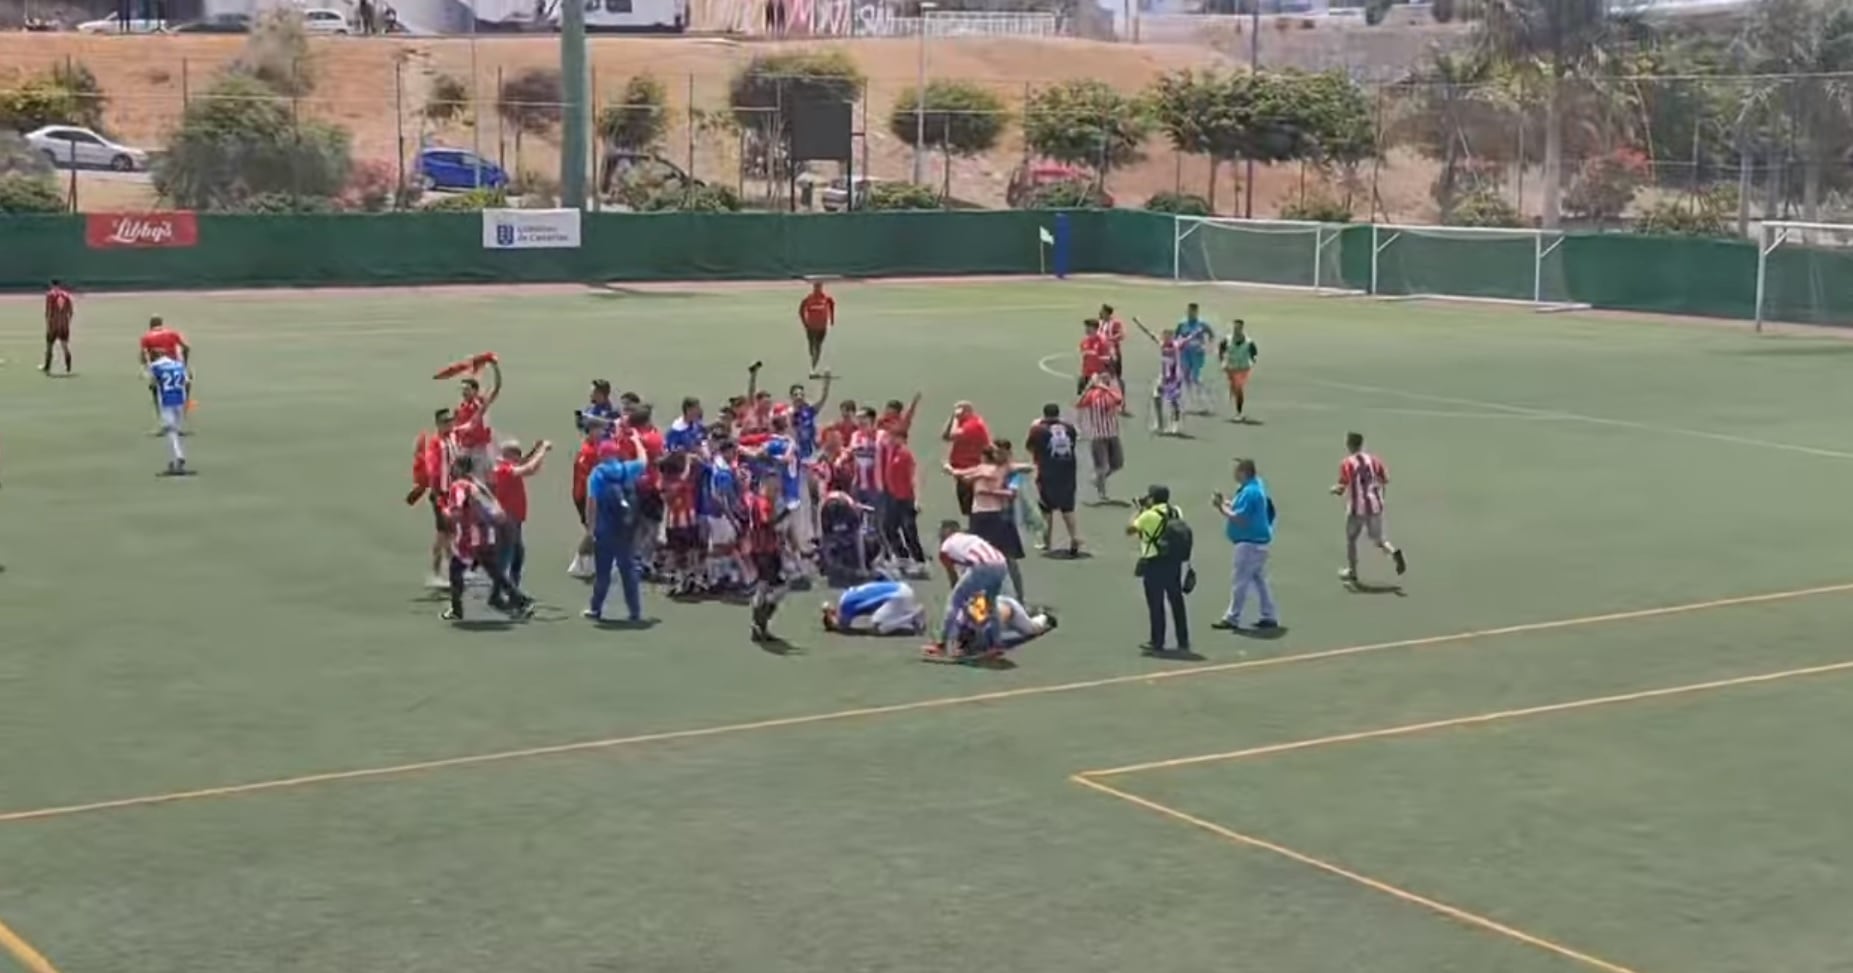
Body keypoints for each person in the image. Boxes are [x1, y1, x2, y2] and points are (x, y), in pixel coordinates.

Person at [440, 456, 533, 621]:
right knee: (495, 572)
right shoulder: (478, 484)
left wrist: (444, 510)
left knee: (456, 570)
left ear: (460, 468)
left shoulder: (459, 486)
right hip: (487, 535)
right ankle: (521, 601)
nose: (452, 470)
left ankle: (456, 610)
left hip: (470, 539)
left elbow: (458, 512)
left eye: (454, 466)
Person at [925, 521, 1008, 662]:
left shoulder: (945, 548)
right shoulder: (969, 538)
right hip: (1001, 563)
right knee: (990, 604)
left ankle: (941, 644)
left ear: (945, 533)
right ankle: (996, 644)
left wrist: (959, 595)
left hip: (982, 565)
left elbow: (953, 577)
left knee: (954, 601)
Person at [1212, 458, 1279, 631]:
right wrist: (1226, 502)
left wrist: (1221, 508)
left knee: (1240, 581)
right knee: (1259, 581)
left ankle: (1232, 617)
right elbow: (1238, 508)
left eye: (1236, 470)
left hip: (1249, 544)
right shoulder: (1254, 487)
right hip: (1259, 543)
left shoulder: (1250, 492)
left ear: (1243, 472)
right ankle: (1269, 615)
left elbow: (1240, 518)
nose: (1233, 473)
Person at [1332, 431, 1407, 584]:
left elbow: (1341, 487)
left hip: (1356, 509)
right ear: (1362, 444)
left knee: (1351, 539)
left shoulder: (1347, 463)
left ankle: (1352, 571)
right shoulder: (1374, 460)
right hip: (1374, 506)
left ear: (1349, 444)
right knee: (1379, 540)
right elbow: (1385, 479)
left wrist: (1334, 489)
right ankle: (1393, 553)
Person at [585, 450, 648, 622]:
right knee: (628, 570)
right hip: (626, 529)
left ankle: (595, 608)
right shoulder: (628, 468)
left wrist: (590, 530)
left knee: (603, 572)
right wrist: (636, 441)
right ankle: (635, 611)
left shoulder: (597, 474)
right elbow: (644, 460)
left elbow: (592, 502)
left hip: (604, 529)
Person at [1129, 485, 1190, 654]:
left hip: (1154, 563)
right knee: (1176, 601)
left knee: (1156, 604)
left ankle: (1158, 641)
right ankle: (1183, 639)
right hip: (1173, 562)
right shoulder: (1175, 511)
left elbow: (1130, 529)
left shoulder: (1148, 515)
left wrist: (1138, 511)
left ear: (1152, 498)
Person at [491, 437, 551, 589]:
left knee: (516, 555)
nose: (520, 456)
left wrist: (535, 450)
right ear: (510, 454)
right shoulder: (503, 470)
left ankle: (510, 589)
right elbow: (529, 469)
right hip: (507, 519)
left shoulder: (505, 466)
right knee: (507, 556)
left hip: (513, 518)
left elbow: (525, 464)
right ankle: (501, 592)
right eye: (517, 453)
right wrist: (543, 450)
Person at [1025, 403, 1082, 556]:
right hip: (1068, 470)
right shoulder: (1069, 427)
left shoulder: (1038, 429)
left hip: (1048, 470)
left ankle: (1046, 541)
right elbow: (1073, 443)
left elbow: (1030, 447)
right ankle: (1074, 536)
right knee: (1067, 507)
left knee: (1046, 507)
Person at [743, 474, 791, 641]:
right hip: (765, 550)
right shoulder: (764, 502)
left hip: (758, 549)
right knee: (780, 588)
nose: (778, 491)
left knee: (763, 586)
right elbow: (766, 523)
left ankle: (758, 627)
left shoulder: (757, 500)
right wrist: (785, 513)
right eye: (775, 487)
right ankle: (760, 618)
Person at [880, 425, 927, 573]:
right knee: (889, 527)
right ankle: (902, 557)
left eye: (892, 437)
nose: (889, 440)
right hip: (893, 498)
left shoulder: (905, 455)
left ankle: (920, 562)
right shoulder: (891, 453)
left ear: (901, 438)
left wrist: (917, 500)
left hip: (906, 499)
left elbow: (913, 477)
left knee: (909, 531)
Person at [1075, 372, 1124, 504]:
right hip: (1098, 435)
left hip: (1112, 434)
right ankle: (1102, 493)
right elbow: (1079, 403)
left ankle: (1097, 480)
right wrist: (1089, 387)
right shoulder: (1092, 395)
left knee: (1118, 463)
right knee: (1101, 467)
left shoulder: (1111, 393)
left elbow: (1119, 400)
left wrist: (1105, 388)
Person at [139, 316, 190, 433]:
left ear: (151, 325)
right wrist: (184, 364)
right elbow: (186, 347)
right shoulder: (173, 333)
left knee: (158, 394)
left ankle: (163, 422)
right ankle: (179, 423)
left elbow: (144, 354)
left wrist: (145, 368)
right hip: (175, 367)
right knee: (180, 392)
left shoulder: (146, 337)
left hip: (158, 368)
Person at [452, 358, 503, 475]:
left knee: (481, 478)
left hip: (480, 448)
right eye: (462, 390)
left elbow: (497, 387)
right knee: (459, 476)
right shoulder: (459, 408)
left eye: (467, 389)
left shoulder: (481, 403)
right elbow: (456, 427)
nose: (464, 392)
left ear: (475, 391)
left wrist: (495, 367)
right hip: (464, 448)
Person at [822, 579, 927, 635]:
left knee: (877, 626)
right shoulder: (847, 596)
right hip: (901, 590)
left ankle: (913, 617)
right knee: (880, 614)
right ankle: (908, 614)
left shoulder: (845, 605)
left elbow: (844, 625)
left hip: (898, 596)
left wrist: (834, 625)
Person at [941, 400, 991, 515]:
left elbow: (953, 435)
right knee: (967, 506)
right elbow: (945, 436)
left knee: (972, 506)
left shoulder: (974, 424)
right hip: (962, 470)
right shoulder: (962, 423)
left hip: (971, 470)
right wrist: (953, 418)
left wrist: (956, 419)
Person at [147, 348, 191, 476]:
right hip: (180, 399)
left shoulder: (155, 366)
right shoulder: (178, 364)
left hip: (167, 401)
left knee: (170, 431)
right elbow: (187, 382)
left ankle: (178, 458)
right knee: (175, 430)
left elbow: (153, 384)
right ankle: (176, 459)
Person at [567, 424, 602, 579]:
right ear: (591, 432)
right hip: (586, 496)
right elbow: (586, 478)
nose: (602, 432)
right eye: (598, 430)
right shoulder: (588, 452)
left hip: (589, 495)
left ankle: (589, 564)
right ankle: (578, 565)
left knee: (597, 531)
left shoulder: (593, 447)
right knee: (592, 531)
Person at [1175, 302, 1216, 413]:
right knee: (1185, 377)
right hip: (1185, 353)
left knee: (1195, 377)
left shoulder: (1202, 324)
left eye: (1192, 312)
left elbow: (1211, 334)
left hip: (1197, 354)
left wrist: (1207, 346)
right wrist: (1177, 346)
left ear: (1196, 312)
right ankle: (1189, 402)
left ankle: (1203, 401)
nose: (1190, 314)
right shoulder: (1182, 323)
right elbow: (1176, 336)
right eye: (1189, 311)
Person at [1218, 319, 1258, 423]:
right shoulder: (1227, 339)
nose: (1236, 329)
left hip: (1243, 368)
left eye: (1238, 328)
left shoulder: (1248, 342)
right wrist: (1222, 361)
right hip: (1231, 367)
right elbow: (1221, 349)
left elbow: (1254, 353)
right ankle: (1232, 392)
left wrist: (1253, 361)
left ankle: (1239, 413)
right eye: (1235, 327)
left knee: (1239, 387)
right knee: (1234, 386)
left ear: (1242, 328)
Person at [799, 279, 836, 374]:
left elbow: (832, 306)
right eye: (816, 287)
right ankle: (813, 362)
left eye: (819, 287)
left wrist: (832, 319)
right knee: (812, 347)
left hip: (821, 327)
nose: (817, 289)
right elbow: (801, 311)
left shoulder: (826, 298)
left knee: (818, 347)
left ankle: (813, 368)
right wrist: (804, 322)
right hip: (810, 327)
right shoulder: (808, 299)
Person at [41, 279, 74, 375]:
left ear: (52, 285)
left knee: (49, 346)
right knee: (65, 346)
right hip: (64, 324)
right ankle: (68, 366)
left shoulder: (50, 295)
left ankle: (47, 366)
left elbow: (48, 311)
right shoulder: (66, 296)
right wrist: (67, 322)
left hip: (53, 324)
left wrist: (48, 323)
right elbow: (71, 312)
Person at [1077, 318, 1111, 396]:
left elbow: (1107, 360)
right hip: (1086, 375)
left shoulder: (1102, 341)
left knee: (1098, 399)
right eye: (1086, 327)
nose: (1086, 329)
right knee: (1082, 399)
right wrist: (1082, 374)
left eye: (1089, 327)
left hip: (1099, 376)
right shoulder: (1084, 342)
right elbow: (1084, 359)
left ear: (1095, 328)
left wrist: (1095, 355)